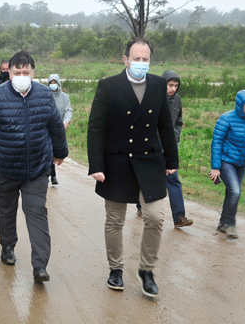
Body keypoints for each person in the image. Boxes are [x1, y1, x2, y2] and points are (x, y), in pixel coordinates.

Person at [87, 38, 178, 298]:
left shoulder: (159, 85)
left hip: (150, 161)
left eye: (145, 59)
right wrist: (96, 164)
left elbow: (164, 126)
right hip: (116, 162)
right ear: (125, 59)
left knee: (155, 217)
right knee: (115, 220)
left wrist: (172, 160)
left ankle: (147, 271)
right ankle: (115, 269)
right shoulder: (108, 86)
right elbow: (96, 128)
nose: (141, 63)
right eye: (136, 59)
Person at [0, 51, 69, 283]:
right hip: (4, 168)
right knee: (6, 210)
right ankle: (7, 247)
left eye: (27, 72)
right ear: (10, 73)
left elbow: (55, 126)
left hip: (36, 169)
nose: (22, 76)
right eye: (17, 72)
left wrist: (60, 152)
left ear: (34, 73)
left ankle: (40, 266)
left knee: (37, 213)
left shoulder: (45, 95)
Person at [136, 70, 194, 229]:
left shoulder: (178, 101)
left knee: (173, 178)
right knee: (147, 177)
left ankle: (179, 217)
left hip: (169, 147)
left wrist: (173, 138)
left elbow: (178, 122)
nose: (173, 88)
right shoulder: (151, 98)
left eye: (176, 86)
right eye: (170, 85)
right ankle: (140, 205)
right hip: (151, 146)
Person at [209, 90, 245, 240]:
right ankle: (230, 223)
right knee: (235, 191)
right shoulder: (226, 119)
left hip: (242, 163)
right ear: (240, 104)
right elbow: (216, 143)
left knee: (231, 192)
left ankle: (223, 223)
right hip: (226, 161)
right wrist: (215, 167)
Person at [47, 74, 73, 186]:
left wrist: (65, 122)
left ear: (59, 83)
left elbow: (68, 111)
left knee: (56, 150)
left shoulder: (65, 97)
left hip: (58, 128)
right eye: (51, 83)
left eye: (55, 82)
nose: (53, 85)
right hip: (46, 127)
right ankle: (52, 175)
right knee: (47, 150)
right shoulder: (45, 95)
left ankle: (52, 172)